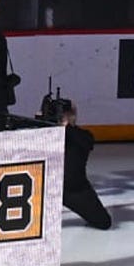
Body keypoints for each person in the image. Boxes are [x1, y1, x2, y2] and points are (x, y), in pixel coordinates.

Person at [44, 92, 110, 229]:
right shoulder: (45, 133)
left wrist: (65, 127)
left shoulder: (82, 136)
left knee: (103, 222)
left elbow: (86, 142)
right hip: (48, 188)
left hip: (74, 190)